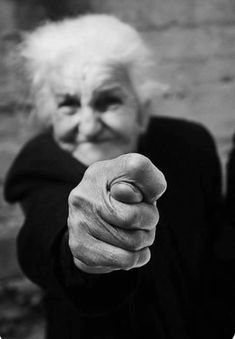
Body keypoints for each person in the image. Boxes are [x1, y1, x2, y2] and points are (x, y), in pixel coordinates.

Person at [3, 14, 228, 338]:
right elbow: (43, 226)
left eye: (108, 101)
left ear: (142, 110)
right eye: (68, 105)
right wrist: (83, 247)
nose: (89, 126)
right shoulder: (40, 163)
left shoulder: (190, 145)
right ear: (49, 117)